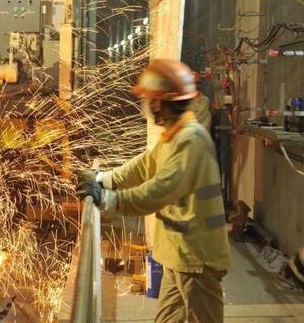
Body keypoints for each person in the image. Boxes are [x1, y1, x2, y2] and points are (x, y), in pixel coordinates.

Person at [77, 58, 230, 323]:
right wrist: (104, 179)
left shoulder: (191, 139)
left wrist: (109, 199)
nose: (145, 105)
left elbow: (159, 191)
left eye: (148, 99)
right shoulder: (175, 134)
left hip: (197, 258)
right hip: (177, 256)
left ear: (159, 103)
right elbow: (144, 165)